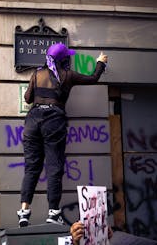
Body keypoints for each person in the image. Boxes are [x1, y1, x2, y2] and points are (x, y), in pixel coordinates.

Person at [17, 43, 108, 227]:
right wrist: (101, 63)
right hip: (54, 122)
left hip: (33, 121)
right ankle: (53, 213)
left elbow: (27, 98)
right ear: (64, 59)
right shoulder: (68, 75)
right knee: (54, 167)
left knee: (31, 168)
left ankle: (24, 212)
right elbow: (93, 78)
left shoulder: (37, 74)